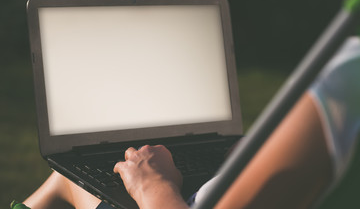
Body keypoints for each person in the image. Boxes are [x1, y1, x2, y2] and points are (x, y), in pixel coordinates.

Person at [17, 37, 360, 209]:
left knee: (72, 176)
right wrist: (257, 156)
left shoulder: (349, 78)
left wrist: (153, 186)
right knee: (67, 175)